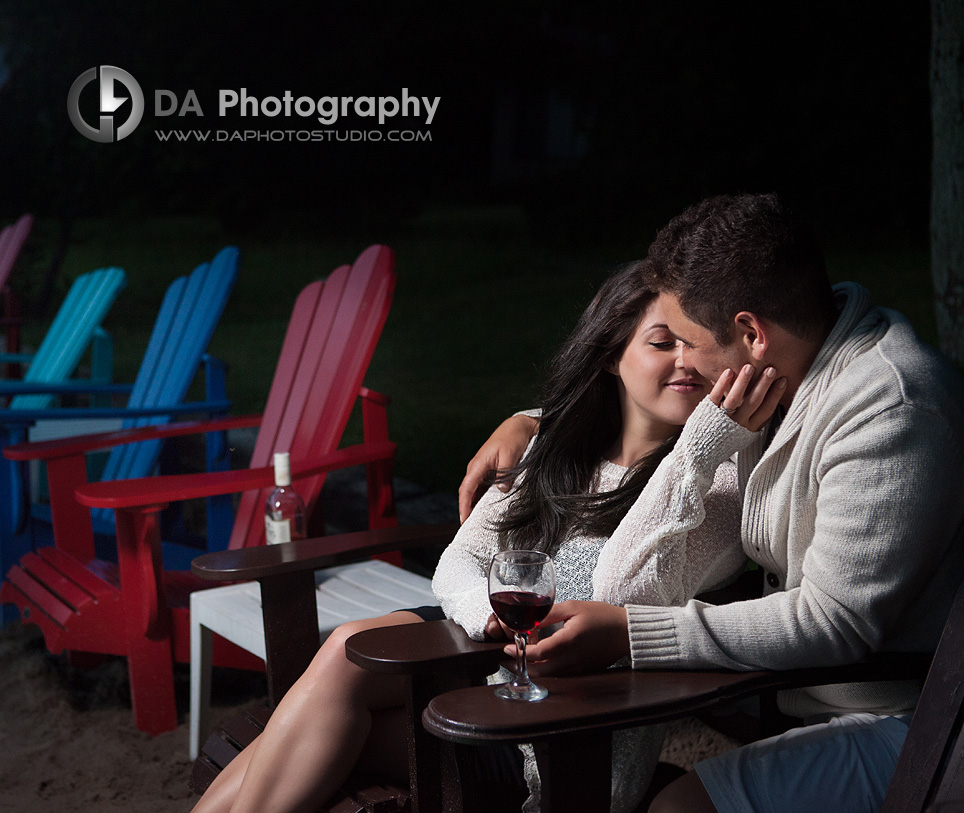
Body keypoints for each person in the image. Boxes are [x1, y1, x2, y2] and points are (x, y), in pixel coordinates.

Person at [194, 261, 778, 813]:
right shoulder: (554, 449)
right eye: (662, 342)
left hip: (569, 749)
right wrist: (487, 615)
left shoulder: (717, 486)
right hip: (485, 695)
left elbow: (629, 591)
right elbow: (462, 560)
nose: (686, 362)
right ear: (610, 355)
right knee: (341, 665)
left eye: (698, 344)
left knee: (314, 718)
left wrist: (700, 448)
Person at [462, 193, 964, 813]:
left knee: (677, 808)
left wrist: (631, 635)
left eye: (692, 342)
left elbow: (833, 624)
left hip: (917, 724)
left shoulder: (889, 410)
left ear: (752, 333)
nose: (686, 365)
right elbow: (630, 546)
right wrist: (537, 422)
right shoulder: (776, 378)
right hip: (803, 697)